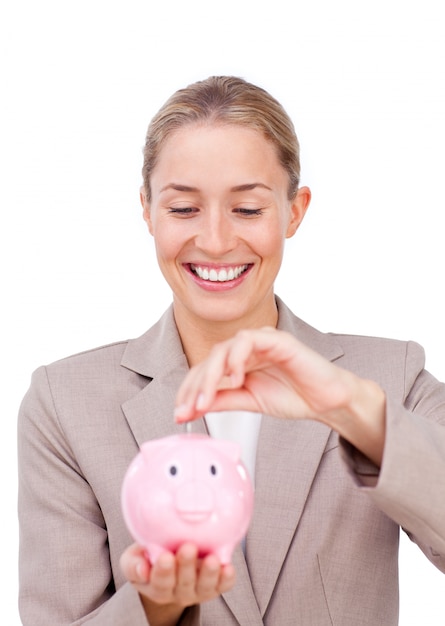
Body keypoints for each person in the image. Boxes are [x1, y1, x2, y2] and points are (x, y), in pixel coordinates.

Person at [17, 75, 445, 626]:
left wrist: (350, 409)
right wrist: (157, 601)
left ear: (294, 211)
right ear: (146, 209)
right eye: (183, 209)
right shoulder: (64, 404)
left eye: (247, 209)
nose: (216, 240)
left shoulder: (393, 377)